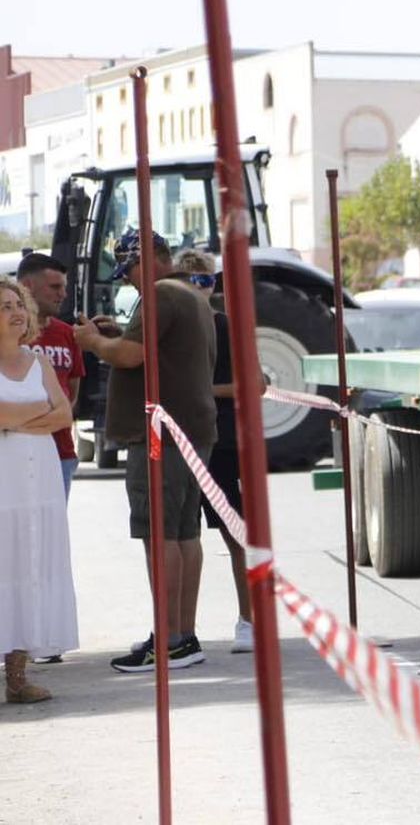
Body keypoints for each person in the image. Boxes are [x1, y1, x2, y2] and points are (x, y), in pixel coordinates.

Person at [72, 229, 217, 673]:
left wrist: (95, 342)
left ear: (148, 259)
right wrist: (119, 333)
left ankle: (169, 640)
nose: (130, 281)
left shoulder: (159, 295)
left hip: (161, 435)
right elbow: (155, 347)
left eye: (130, 270)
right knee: (185, 535)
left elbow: (131, 355)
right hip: (192, 430)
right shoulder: (189, 293)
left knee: (160, 535)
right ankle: (182, 635)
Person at [0, 277, 78, 703]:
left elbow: (63, 413)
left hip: (39, 480)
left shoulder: (38, 361)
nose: (15, 312)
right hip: (4, 483)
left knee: (30, 563)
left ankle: (17, 676)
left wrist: (15, 420)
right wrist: (34, 413)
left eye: (17, 304)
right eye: (3, 306)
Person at [173, 249, 252, 654]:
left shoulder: (224, 326)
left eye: (203, 281)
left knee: (235, 532)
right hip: (178, 442)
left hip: (220, 442)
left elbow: (250, 384)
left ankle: (249, 619)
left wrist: (197, 392)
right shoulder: (171, 322)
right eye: (187, 280)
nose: (196, 288)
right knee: (179, 537)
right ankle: (179, 632)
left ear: (214, 285)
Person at [17, 253, 86, 500]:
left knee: (52, 530)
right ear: (27, 287)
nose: (63, 294)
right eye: (55, 287)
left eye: (64, 287)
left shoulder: (68, 334)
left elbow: (72, 393)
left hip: (61, 453)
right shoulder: (9, 337)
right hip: (16, 452)